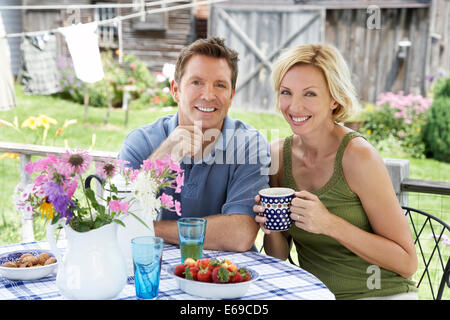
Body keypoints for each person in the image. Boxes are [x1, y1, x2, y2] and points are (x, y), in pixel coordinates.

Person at [253, 43, 418, 299]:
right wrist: (272, 228)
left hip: (380, 294)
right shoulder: (278, 156)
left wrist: (329, 224)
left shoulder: (357, 157)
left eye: (309, 94)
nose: (294, 107)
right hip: (314, 294)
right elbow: (279, 255)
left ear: (334, 99)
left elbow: (407, 263)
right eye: (286, 92)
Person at [119, 37, 270, 252]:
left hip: (226, 274)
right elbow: (118, 218)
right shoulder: (140, 143)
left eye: (220, 85)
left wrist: (148, 228)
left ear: (231, 96)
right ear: (175, 90)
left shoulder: (249, 145)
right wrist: (160, 160)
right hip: (154, 267)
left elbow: (239, 235)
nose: (208, 95)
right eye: (196, 82)